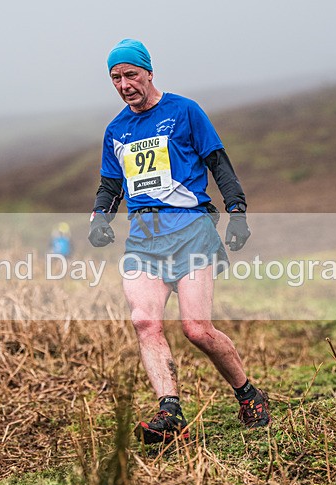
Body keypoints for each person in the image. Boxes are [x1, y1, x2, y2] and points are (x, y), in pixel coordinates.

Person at [89, 39, 270, 444]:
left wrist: (237, 211)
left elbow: (218, 163)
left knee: (197, 329)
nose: (124, 84)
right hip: (143, 239)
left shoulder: (184, 111)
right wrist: (100, 217)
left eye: (131, 74)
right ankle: (170, 415)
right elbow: (110, 185)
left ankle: (248, 394)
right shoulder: (116, 130)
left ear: (149, 73)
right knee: (145, 322)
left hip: (191, 231)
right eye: (115, 78)